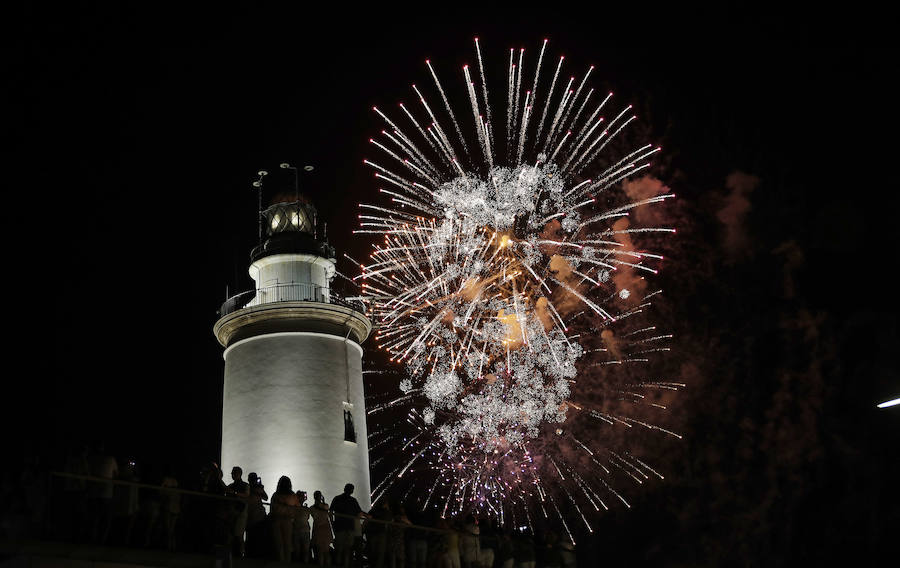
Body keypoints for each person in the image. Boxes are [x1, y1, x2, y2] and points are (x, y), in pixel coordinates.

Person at [330, 484, 363, 568]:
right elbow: (359, 514)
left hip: (340, 527)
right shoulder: (353, 500)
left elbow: (330, 511)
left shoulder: (337, 498)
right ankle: (345, 564)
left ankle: (338, 564)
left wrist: (332, 522)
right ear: (352, 491)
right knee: (347, 550)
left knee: (339, 549)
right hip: (350, 528)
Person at [270, 476, 299, 561]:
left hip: (276, 520)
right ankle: (287, 561)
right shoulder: (293, 496)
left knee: (279, 543)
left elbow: (272, 508)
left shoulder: (276, 495)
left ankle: (281, 561)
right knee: (287, 542)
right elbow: (297, 508)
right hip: (288, 520)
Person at [226, 466, 250, 557]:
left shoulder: (242, 486)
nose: (232, 474)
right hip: (234, 512)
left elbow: (246, 495)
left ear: (239, 474)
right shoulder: (233, 486)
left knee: (238, 536)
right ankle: (238, 554)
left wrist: (234, 493)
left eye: (233, 473)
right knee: (235, 536)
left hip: (240, 513)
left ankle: (239, 554)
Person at [245, 473, 268, 557]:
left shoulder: (255, 488)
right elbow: (265, 497)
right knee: (254, 537)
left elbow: (265, 497)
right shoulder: (249, 488)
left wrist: (259, 490)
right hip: (255, 516)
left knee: (254, 537)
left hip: (255, 517)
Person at [365, 499, 391, 568]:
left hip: (372, 533)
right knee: (380, 553)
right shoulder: (386, 512)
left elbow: (367, 519)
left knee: (373, 551)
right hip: (381, 533)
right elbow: (388, 521)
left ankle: (372, 565)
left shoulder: (373, 510)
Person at [310, 490, 333, 565]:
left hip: (317, 529)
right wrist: (323, 501)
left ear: (314, 497)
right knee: (326, 551)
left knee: (320, 551)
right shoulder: (325, 506)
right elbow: (327, 511)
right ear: (321, 497)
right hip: (326, 529)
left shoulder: (312, 508)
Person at [293, 490, 311, 564]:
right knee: (305, 550)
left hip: (296, 530)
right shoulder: (306, 509)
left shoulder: (293, 507)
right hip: (305, 530)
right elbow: (307, 517)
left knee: (297, 549)